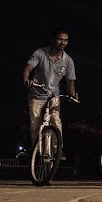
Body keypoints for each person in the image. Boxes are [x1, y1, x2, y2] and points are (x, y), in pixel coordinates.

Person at [23, 27, 78, 161]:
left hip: (54, 96)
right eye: (60, 39)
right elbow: (28, 67)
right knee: (35, 125)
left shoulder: (68, 61)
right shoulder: (40, 53)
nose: (62, 43)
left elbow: (70, 81)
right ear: (53, 40)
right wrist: (26, 79)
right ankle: (37, 151)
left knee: (56, 122)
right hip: (37, 94)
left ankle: (57, 149)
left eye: (65, 40)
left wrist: (72, 94)